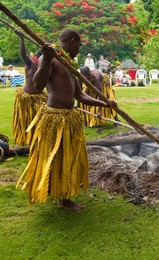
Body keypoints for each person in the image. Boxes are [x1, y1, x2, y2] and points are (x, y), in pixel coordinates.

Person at [16, 28, 116, 211]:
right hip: (55, 119)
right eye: (78, 45)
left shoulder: (70, 64)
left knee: (69, 158)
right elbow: (38, 85)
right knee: (58, 158)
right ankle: (63, 200)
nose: (79, 49)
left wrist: (105, 104)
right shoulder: (52, 59)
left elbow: (79, 95)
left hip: (69, 118)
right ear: (71, 42)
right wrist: (45, 59)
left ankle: (63, 195)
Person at [12, 30, 48, 147]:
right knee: (26, 121)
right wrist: (22, 39)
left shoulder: (47, 67)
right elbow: (23, 54)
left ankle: (37, 140)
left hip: (39, 99)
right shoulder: (30, 64)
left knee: (38, 122)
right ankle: (25, 141)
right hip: (27, 98)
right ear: (38, 58)